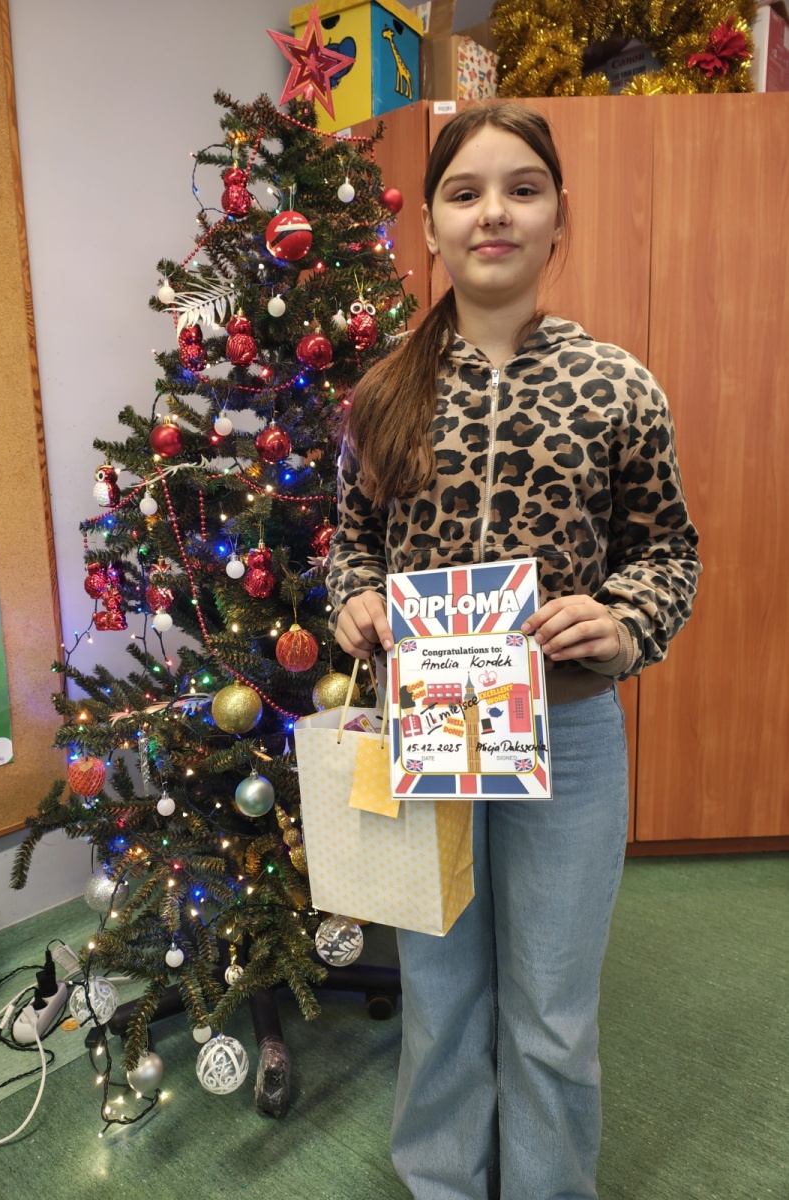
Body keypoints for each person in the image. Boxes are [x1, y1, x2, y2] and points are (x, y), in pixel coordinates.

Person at [326, 104, 700, 1200]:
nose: (494, 212)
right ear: (430, 226)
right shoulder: (383, 393)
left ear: (557, 219)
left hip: (567, 733)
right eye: (466, 191)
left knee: (551, 1006)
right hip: (428, 730)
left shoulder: (617, 385)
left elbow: (668, 549)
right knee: (441, 993)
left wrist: (624, 621)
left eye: (522, 188)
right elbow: (351, 542)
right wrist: (354, 600)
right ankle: (443, 1184)